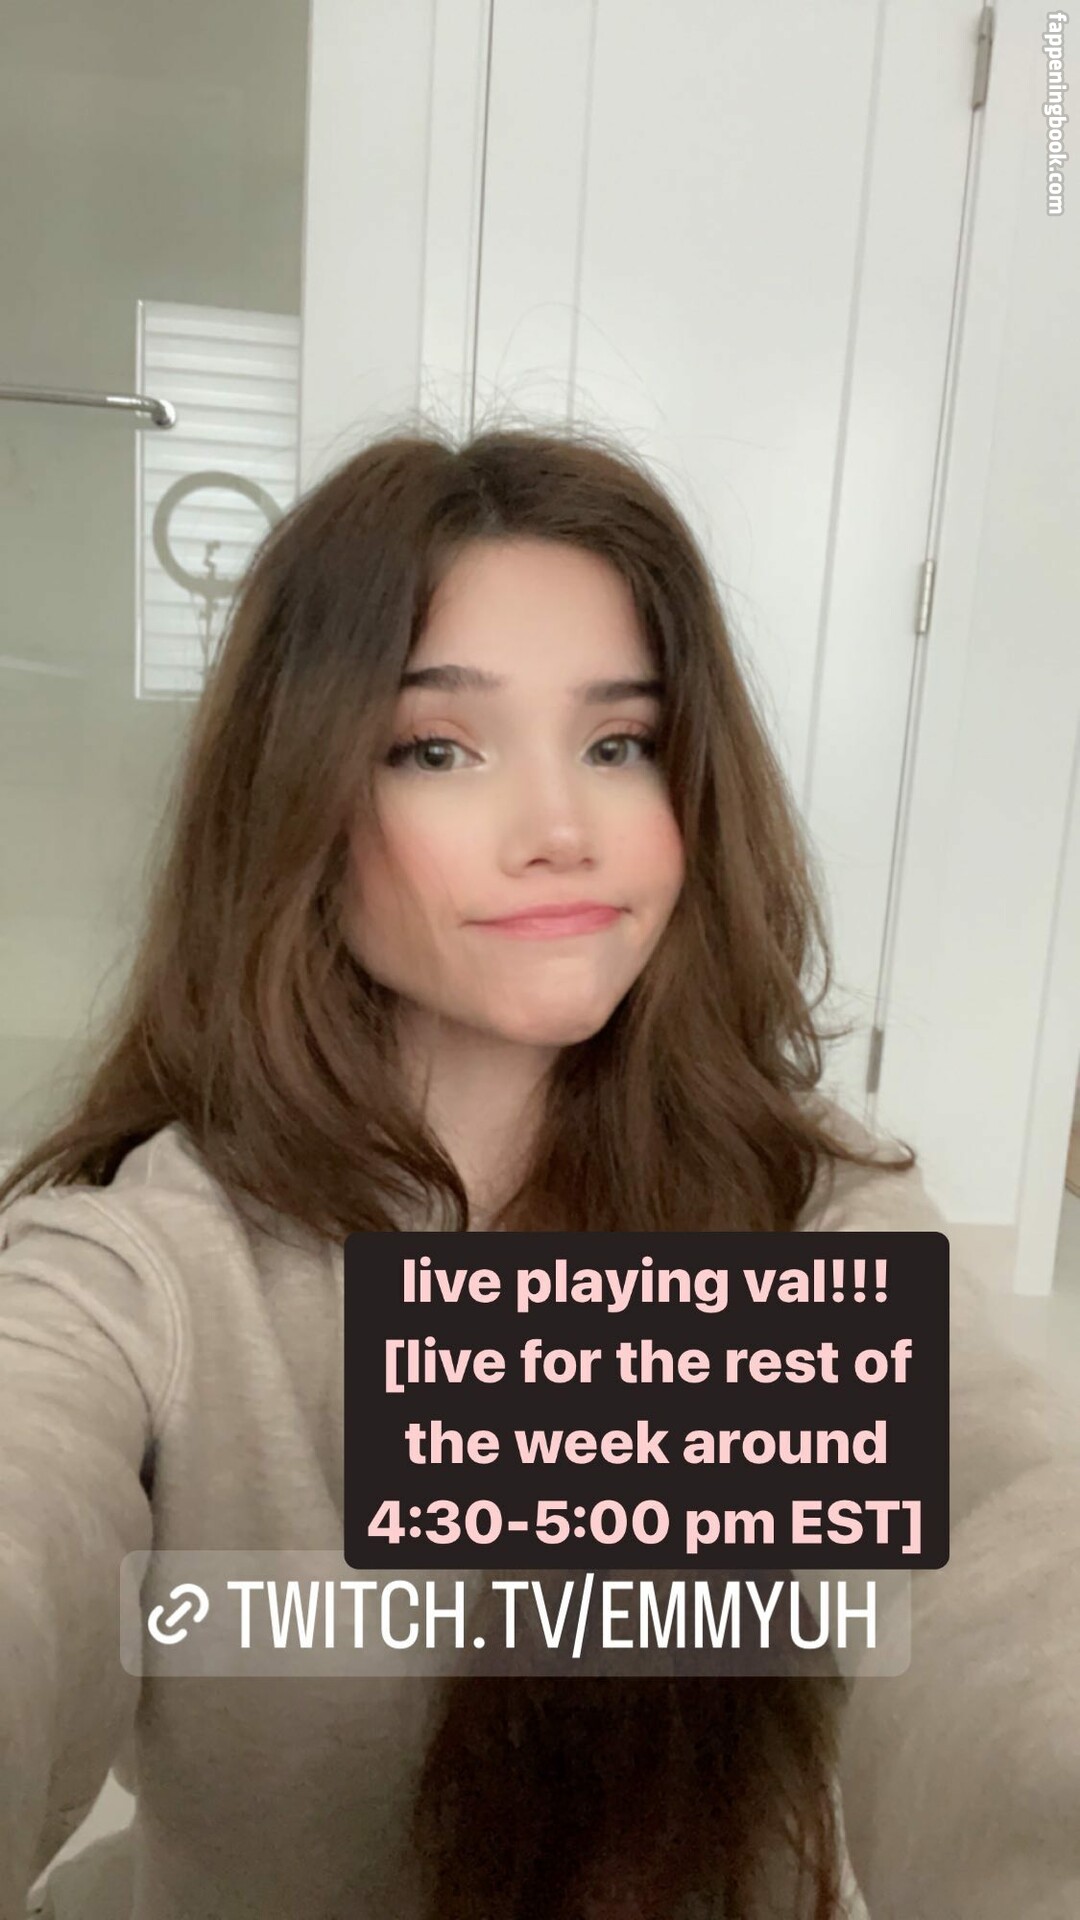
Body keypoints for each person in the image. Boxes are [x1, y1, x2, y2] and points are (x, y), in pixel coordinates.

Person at [1, 425, 1078, 1920]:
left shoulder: (800, 1223)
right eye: (438, 748)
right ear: (299, 795)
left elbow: (1009, 1554)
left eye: (619, 744)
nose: (564, 831)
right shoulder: (149, 1268)